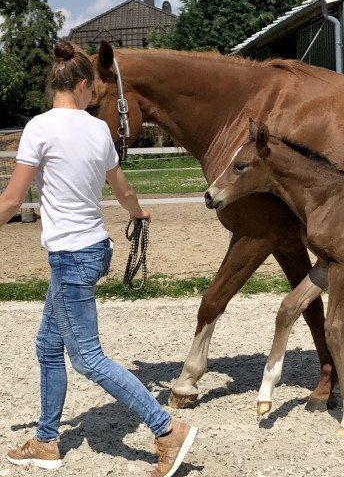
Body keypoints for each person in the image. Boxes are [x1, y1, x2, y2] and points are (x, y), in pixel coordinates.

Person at [0, 41, 197, 477]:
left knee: (87, 357)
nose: (95, 99)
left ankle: (167, 430)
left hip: (70, 256)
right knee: (48, 346)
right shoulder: (98, 131)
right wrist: (139, 213)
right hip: (94, 248)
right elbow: (123, 190)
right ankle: (47, 440)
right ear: (84, 85)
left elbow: (13, 199)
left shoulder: (39, 128)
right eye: (94, 93)